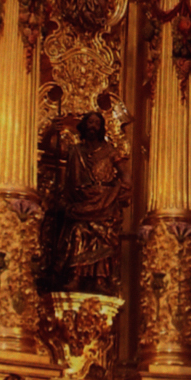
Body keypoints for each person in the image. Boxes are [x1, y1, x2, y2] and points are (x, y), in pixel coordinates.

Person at [42, 111, 129, 292]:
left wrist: (124, 189)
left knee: (103, 235)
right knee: (77, 232)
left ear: (101, 127)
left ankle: (100, 278)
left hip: (104, 202)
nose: (93, 126)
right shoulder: (75, 151)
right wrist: (51, 131)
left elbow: (125, 174)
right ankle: (76, 275)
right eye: (90, 122)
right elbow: (52, 148)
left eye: (97, 123)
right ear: (84, 126)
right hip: (81, 203)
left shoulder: (110, 151)